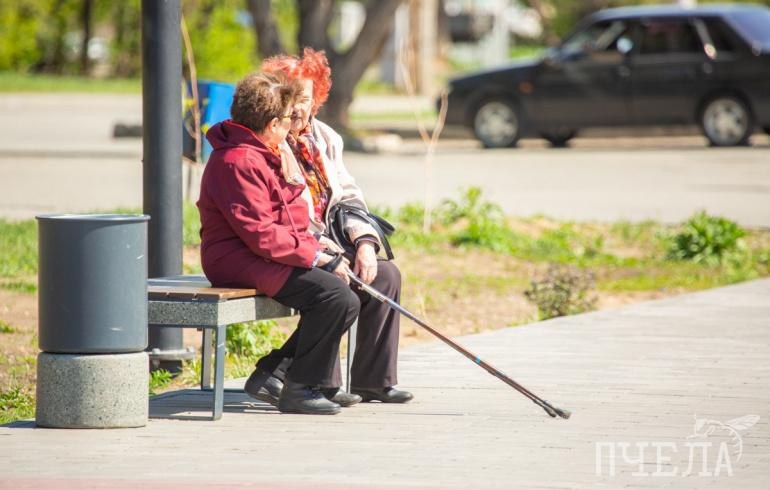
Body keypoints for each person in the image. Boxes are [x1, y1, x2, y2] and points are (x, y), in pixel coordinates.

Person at [243, 48, 413, 405]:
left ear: (316, 99)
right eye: (288, 97)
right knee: (340, 289)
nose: (295, 108)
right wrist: (324, 253)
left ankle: (372, 380)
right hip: (291, 248)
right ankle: (305, 378)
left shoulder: (325, 139)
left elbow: (348, 197)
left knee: (384, 275)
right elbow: (280, 218)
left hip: (327, 242)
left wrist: (364, 242)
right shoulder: (269, 141)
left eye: (303, 98)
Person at [197, 71, 359, 415]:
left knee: (345, 294)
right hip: (236, 260)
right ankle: (299, 388)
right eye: (288, 118)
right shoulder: (237, 161)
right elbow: (260, 233)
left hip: (261, 253)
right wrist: (314, 256)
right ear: (272, 124)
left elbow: (286, 218)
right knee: (334, 296)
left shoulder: (259, 151)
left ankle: (275, 371)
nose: (292, 125)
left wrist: (318, 244)